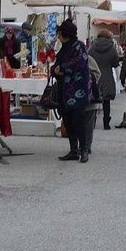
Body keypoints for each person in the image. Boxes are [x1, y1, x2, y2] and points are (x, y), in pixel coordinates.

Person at [53, 19, 92, 163]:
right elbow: (57, 64)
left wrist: (62, 68)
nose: (58, 37)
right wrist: (55, 69)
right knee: (68, 121)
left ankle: (84, 150)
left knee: (78, 121)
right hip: (65, 91)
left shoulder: (79, 46)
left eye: (59, 34)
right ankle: (73, 150)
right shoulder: (64, 48)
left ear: (66, 34)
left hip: (78, 91)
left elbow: (79, 64)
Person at [88, 29, 120, 130]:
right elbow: (116, 63)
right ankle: (106, 123)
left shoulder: (92, 48)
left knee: (94, 100)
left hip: (95, 77)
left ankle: (92, 123)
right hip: (107, 77)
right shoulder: (112, 48)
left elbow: (88, 61)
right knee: (106, 101)